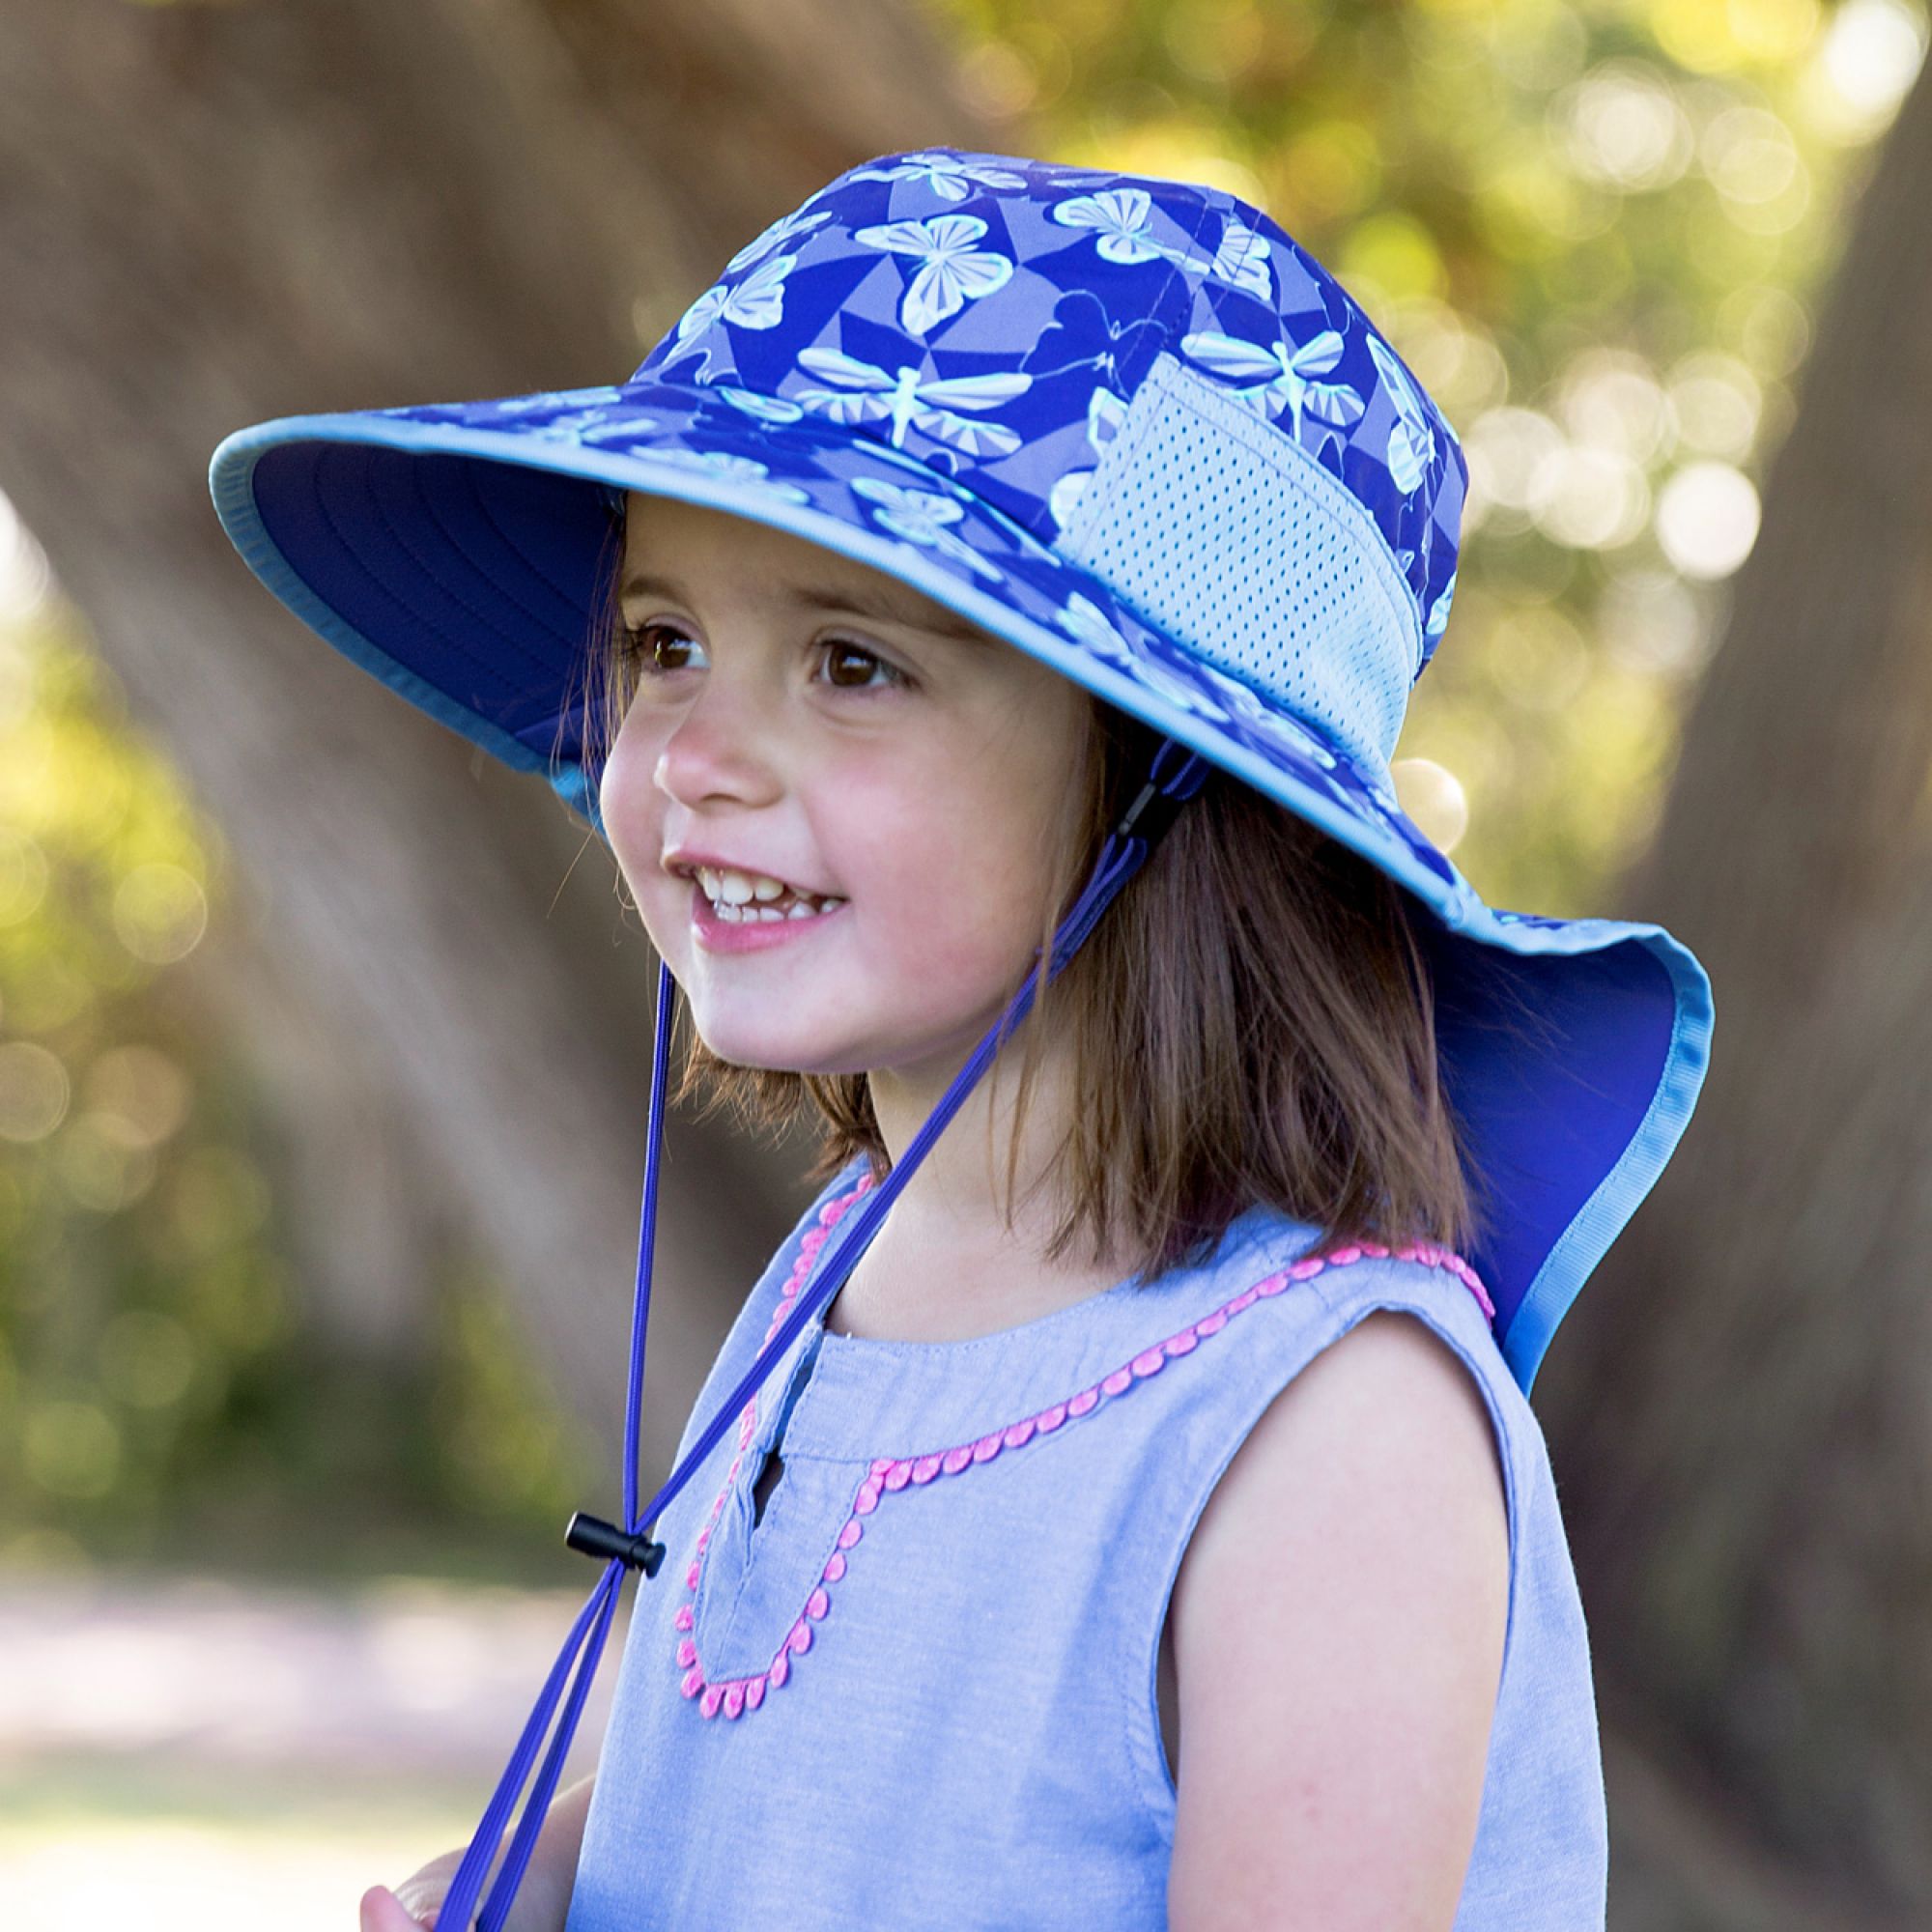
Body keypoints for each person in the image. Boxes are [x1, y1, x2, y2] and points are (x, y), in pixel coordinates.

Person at [207, 146, 1712, 1931]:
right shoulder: (849, 1260)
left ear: (1171, 781)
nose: (693, 754)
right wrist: (549, 1869)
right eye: (664, 640)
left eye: (851, 664)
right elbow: (852, 1771)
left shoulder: (1324, 1426)